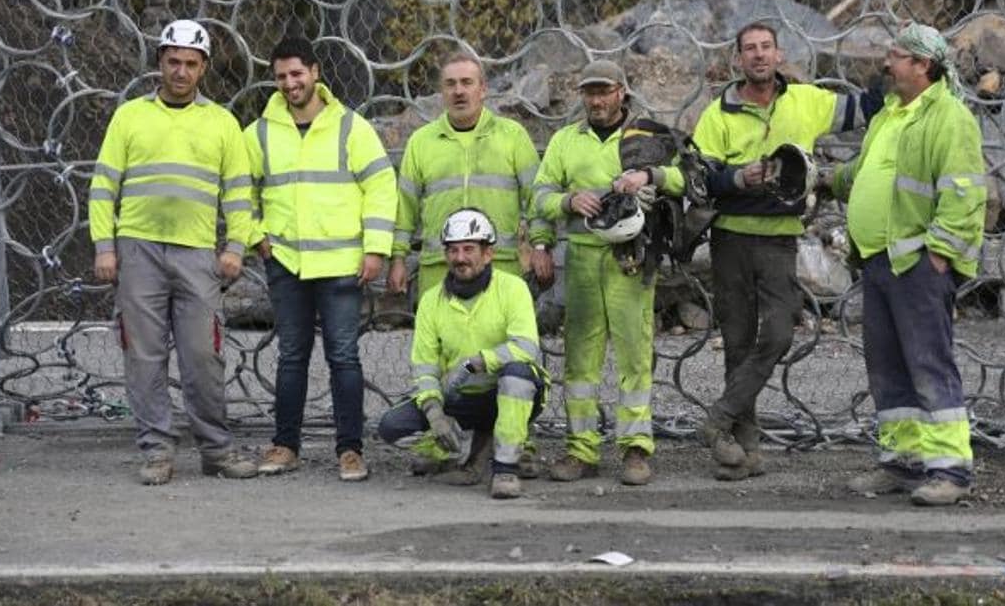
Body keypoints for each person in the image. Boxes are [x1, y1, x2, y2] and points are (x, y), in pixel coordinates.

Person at [690, 22, 882, 480]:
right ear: (738, 59)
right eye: (749, 49)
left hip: (778, 239)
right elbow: (700, 179)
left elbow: (865, 108)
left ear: (779, 55)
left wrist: (887, 67)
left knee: (778, 333)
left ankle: (718, 419)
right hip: (731, 238)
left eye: (766, 48)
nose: (758, 56)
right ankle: (745, 449)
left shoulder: (808, 101)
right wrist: (740, 177)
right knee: (737, 343)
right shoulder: (718, 114)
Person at [90, 19, 258, 485]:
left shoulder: (223, 122)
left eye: (190, 63)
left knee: (203, 354)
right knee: (144, 355)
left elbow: (239, 193)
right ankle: (157, 451)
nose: (181, 71)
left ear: (203, 67)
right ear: (160, 62)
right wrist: (106, 246)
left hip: (197, 255)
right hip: (137, 252)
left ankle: (216, 450)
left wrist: (235, 248)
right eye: (173, 62)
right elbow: (104, 186)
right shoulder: (130, 116)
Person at [826, 22, 986, 506]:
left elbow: (963, 190)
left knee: (928, 363)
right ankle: (901, 462)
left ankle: (951, 470)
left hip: (916, 263)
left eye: (896, 56)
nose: (887, 63)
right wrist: (821, 179)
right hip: (880, 261)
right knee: (888, 366)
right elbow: (863, 172)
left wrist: (940, 252)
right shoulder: (892, 113)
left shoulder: (949, 118)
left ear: (923, 65)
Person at [245, 38, 397, 481]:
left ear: (314, 71)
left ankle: (350, 450)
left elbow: (381, 186)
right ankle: (284, 445)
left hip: (341, 266)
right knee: (292, 356)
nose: (290, 83)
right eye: (281, 77)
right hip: (287, 263)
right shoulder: (259, 133)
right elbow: (238, 189)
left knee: (344, 357)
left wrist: (375, 249)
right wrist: (257, 237)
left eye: (297, 74)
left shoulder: (350, 127)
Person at [529, 60, 684, 486]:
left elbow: (683, 178)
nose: (597, 100)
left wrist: (647, 175)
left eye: (605, 91)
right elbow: (539, 194)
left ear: (622, 92)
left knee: (635, 355)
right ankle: (581, 451)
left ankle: (635, 450)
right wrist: (567, 202)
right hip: (581, 257)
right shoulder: (565, 140)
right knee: (580, 358)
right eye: (590, 92)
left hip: (630, 258)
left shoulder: (645, 137)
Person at [378, 208, 546, 500]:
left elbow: (527, 347)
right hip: (459, 397)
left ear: (488, 254)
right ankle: (458, 449)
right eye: (453, 250)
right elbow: (424, 366)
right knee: (391, 426)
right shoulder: (431, 300)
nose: (460, 258)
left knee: (518, 374)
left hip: (505, 392)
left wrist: (474, 363)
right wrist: (434, 413)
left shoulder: (513, 289)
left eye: (469, 249)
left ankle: (505, 468)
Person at [388, 51, 541, 300]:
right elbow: (404, 209)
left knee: (500, 339)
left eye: (467, 83)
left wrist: (540, 245)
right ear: (442, 92)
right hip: (439, 268)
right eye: (450, 84)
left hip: (499, 267)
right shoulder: (421, 142)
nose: (459, 91)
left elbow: (538, 199)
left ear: (483, 89)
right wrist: (398, 259)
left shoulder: (513, 136)